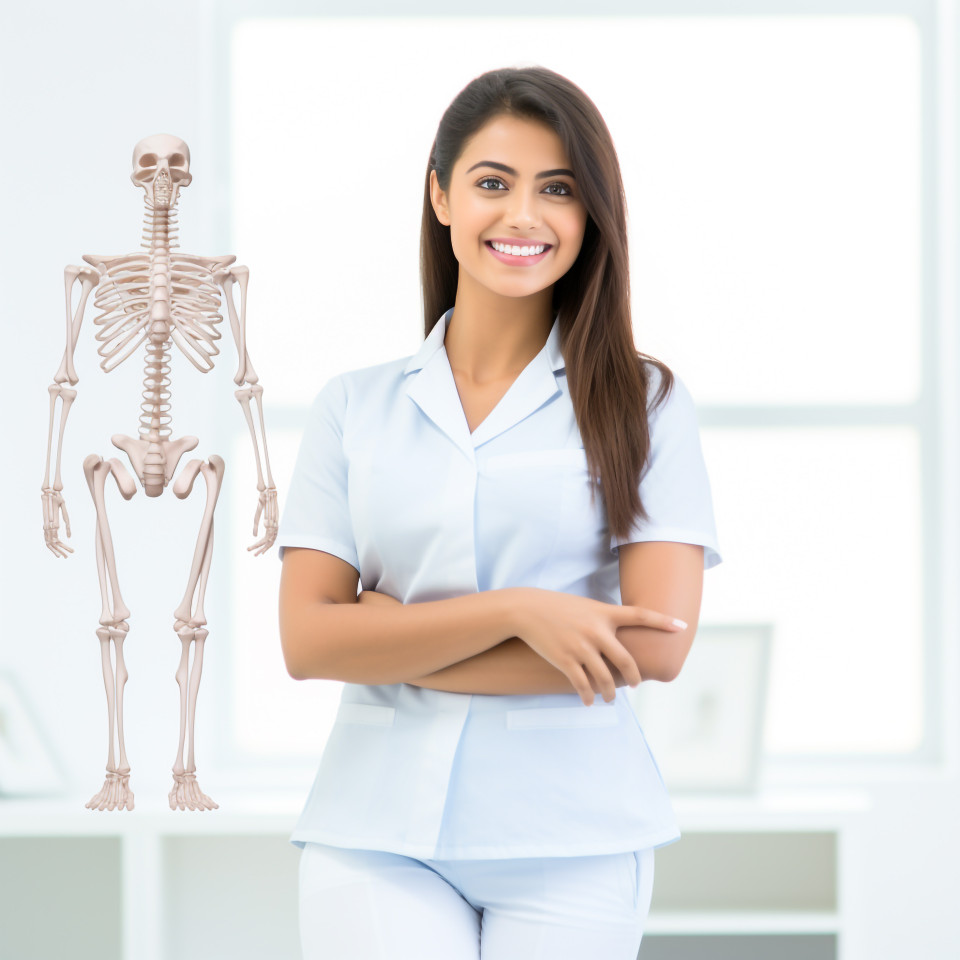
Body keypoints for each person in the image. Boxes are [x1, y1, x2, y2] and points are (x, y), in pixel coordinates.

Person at [277, 65, 722, 960]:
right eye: (492, 183)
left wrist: (394, 638)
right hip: (375, 832)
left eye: (557, 190)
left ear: (591, 215)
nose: (523, 216)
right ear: (441, 196)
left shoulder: (646, 403)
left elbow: (656, 645)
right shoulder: (353, 407)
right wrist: (527, 613)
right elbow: (308, 643)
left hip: (574, 836)